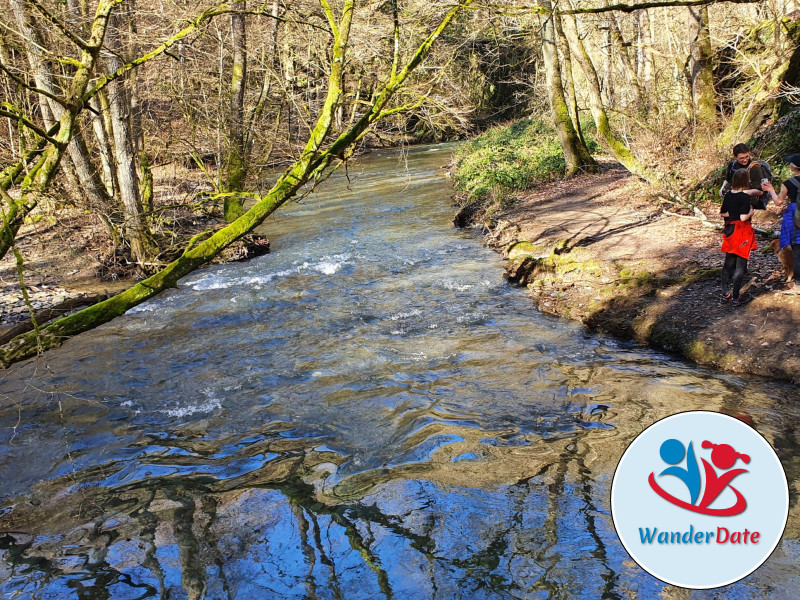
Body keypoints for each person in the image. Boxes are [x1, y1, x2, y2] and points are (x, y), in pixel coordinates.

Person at [761, 154, 800, 295]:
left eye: (790, 164)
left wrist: (770, 189)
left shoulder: (788, 183)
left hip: (794, 216)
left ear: (794, 168)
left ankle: (798, 284)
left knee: (796, 248)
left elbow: (778, 202)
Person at [720, 168, 759, 305]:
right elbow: (743, 218)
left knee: (728, 263)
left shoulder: (728, 195)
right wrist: (750, 214)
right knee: (740, 265)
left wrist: (733, 213)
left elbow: (723, 214)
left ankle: (725, 294)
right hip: (742, 233)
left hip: (729, 230)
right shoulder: (744, 197)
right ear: (746, 181)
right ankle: (736, 297)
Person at [720, 143, 772, 209]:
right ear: (735, 157)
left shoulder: (754, 168)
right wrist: (722, 188)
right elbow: (727, 179)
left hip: (750, 202)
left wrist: (738, 193)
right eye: (741, 158)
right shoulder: (732, 165)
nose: (745, 160)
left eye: (747, 157)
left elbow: (760, 191)